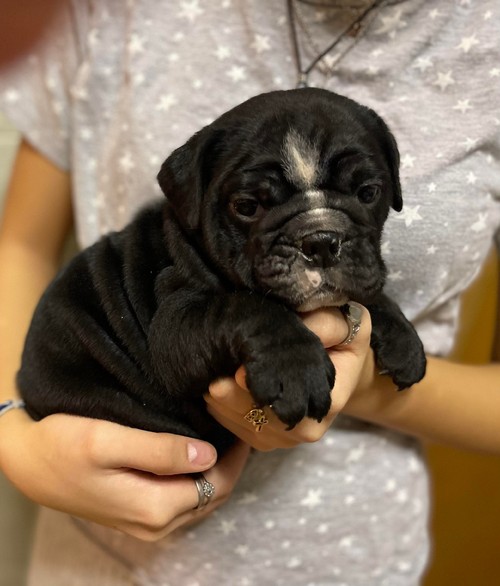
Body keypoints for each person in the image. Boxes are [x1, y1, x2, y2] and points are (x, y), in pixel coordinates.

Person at [0, 1, 498, 584]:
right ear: (194, 202)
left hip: (349, 557)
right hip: (98, 557)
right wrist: (10, 435)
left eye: (363, 195)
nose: (320, 241)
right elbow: (22, 246)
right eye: (251, 206)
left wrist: (363, 378)